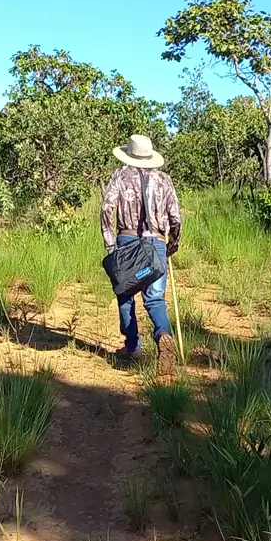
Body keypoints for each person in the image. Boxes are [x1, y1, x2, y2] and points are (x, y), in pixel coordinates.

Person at [101, 134, 182, 374]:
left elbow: (106, 208)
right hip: (156, 242)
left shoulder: (120, 176)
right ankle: (163, 335)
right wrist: (173, 243)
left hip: (127, 242)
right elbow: (175, 217)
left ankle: (132, 347)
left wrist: (110, 244)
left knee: (125, 294)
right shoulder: (164, 180)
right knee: (155, 298)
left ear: (129, 154)